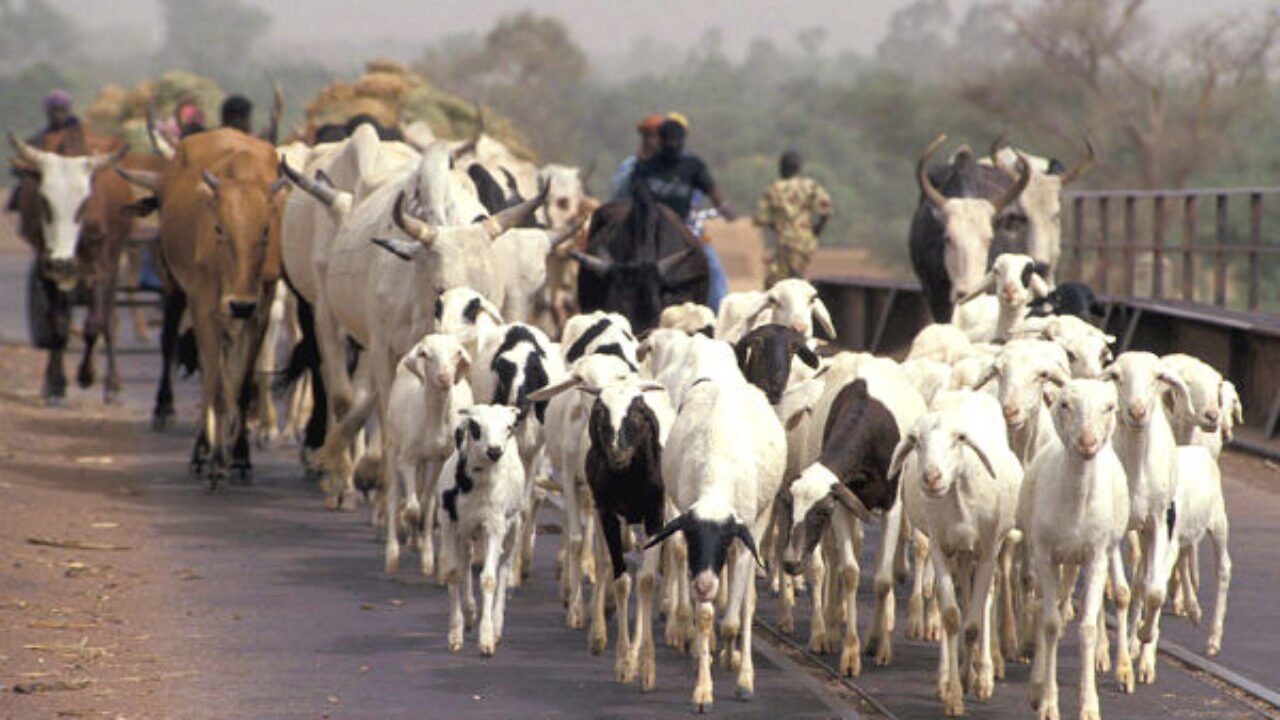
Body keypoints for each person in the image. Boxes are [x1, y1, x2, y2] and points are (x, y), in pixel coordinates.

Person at [632, 117, 735, 309]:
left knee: (711, 266)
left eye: (676, 139)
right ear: (660, 140)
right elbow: (637, 196)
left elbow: (711, 189)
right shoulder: (645, 167)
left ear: (683, 140)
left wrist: (723, 205)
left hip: (683, 227)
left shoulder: (692, 166)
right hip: (651, 229)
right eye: (668, 139)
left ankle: (717, 312)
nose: (672, 144)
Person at [753, 150, 832, 287]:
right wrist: (817, 229)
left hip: (785, 242)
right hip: (806, 241)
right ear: (799, 168)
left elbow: (761, 218)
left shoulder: (774, 188)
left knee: (777, 283)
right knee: (795, 276)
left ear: (781, 168)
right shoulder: (809, 186)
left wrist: (777, 227)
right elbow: (826, 208)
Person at [6, 90, 81, 212]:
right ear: (47, 112)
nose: (57, 115)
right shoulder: (38, 139)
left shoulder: (79, 136)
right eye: (53, 110)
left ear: (68, 110)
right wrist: (21, 167)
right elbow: (19, 164)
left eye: (61, 110)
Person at [609, 113, 663, 200]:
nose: (650, 141)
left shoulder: (670, 166)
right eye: (647, 135)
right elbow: (618, 193)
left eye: (654, 135)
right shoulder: (629, 165)